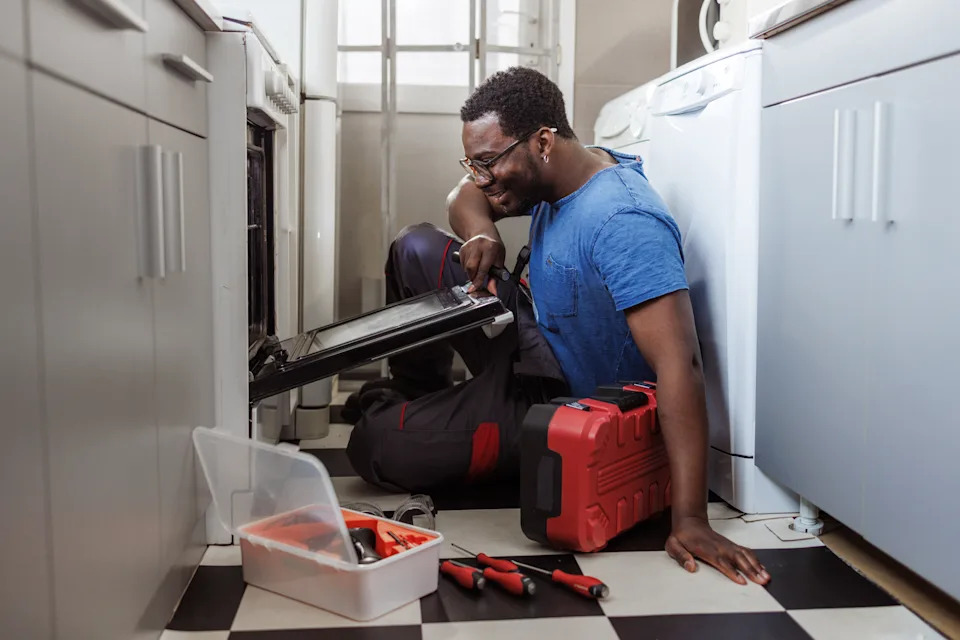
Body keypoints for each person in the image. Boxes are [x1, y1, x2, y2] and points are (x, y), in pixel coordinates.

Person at [345, 66, 770, 586]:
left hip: (554, 402)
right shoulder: (566, 167)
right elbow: (464, 195)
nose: (481, 178)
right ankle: (420, 394)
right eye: (474, 163)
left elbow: (681, 364)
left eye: (488, 163)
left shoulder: (623, 222)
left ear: (543, 141)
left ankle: (410, 414)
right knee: (415, 244)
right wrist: (483, 233)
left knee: (376, 444)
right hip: (530, 335)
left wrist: (690, 519)